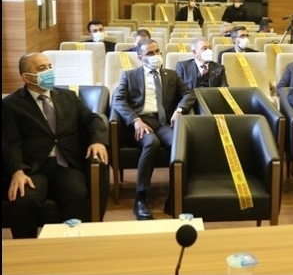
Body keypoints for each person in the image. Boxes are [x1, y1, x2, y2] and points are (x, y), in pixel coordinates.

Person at [3, 53, 109, 238]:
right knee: (24, 200)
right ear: (26, 77)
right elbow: (10, 141)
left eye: (49, 66)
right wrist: (17, 171)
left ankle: (73, 246)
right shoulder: (11, 104)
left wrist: (97, 141)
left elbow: (93, 119)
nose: (49, 71)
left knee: (77, 194)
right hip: (33, 168)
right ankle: (26, 248)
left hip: (66, 164)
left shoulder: (68, 96)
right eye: (42, 68)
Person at [112, 39, 195, 220]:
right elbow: (118, 100)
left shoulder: (171, 75)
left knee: (178, 145)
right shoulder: (129, 75)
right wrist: (135, 120)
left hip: (164, 122)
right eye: (150, 53)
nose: (156, 56)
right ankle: (141, 198)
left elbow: (189, 93)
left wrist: (180, 110)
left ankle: (175, 195)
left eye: (157, 51)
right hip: (142, 122)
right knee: (152, 143)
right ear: (140, 57)